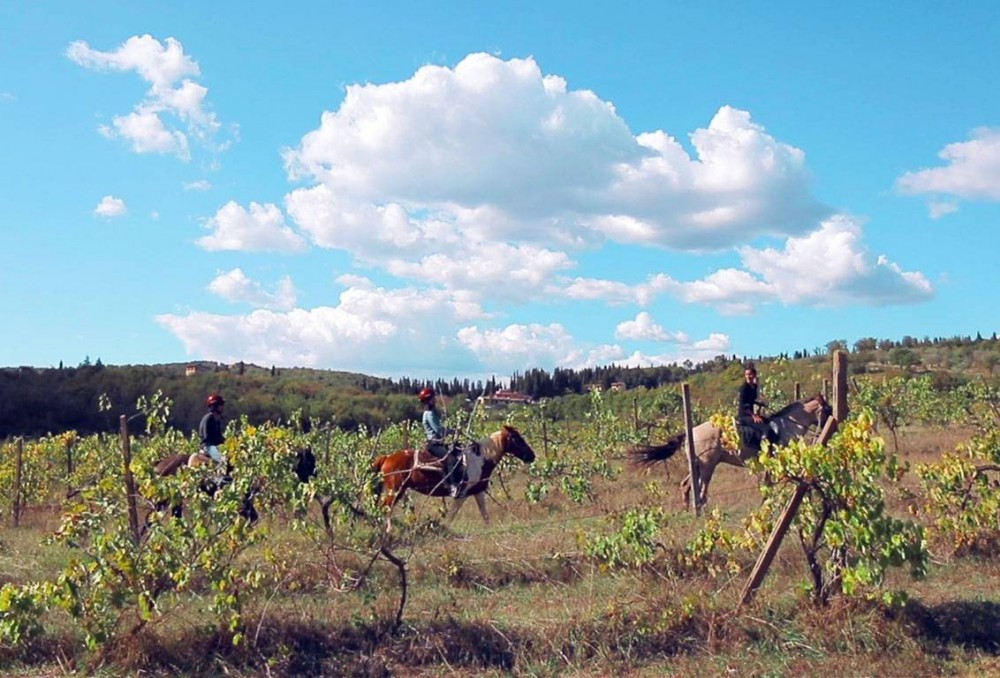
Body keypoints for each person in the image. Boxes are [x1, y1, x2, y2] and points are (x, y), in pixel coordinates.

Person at [418, 386, 462, 497]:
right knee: (449, 458)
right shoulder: (430, 414)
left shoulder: (432, 412)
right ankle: (451, 485)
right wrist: (454, 431)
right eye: (433, 398)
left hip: (437, 442)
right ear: (428, 400)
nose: (435, 399)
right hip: (434, 444)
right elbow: (439, 430)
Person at [737, 365, 776, 447]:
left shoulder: (754, 387)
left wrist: (759, 403)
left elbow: (751, 400)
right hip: (744, 415)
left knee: (769, 421)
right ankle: (764, 447)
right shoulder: (744, 388)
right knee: (766, 429)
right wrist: (754, 416)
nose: (748, 376)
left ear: (754, 375)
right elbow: (745, 405)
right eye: (746, 374)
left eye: (750, 374)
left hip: (750, 414)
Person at [199, 393, 227, 466]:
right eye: (221, 405)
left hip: (214, 445)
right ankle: (220, 476)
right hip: (208, 446)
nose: (222, 407)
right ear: (215, 406)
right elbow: (207, 437)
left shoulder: (217, 420)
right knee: (222, 461)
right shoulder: (208, 419)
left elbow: (219, 436)